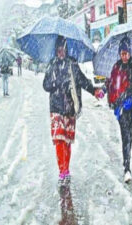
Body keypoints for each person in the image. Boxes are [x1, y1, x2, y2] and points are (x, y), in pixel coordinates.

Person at [43, 36, 104, 180]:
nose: (60, 52)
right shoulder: (52, 65)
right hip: (56, 107)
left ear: (66, 49)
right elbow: (45, 85)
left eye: (62, 49)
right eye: (58, 50)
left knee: (67, 140)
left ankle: (66, 168)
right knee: (59, 139)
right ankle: (62, 170)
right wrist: (56, 82)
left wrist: (94, 90)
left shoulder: (72, 64)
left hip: (70, 107)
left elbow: (83, 81)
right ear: (55, 50)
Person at [105, 37, 132, 183]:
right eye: (122, 53)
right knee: (125, 136)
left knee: (130, 138)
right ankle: (127, 168)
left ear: (130, 53)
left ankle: (127, 162)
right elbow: (110, 83)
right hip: (120, 108)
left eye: (126, 53)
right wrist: (103, 91)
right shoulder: (116, 67)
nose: (124, 56)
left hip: (131, 107)